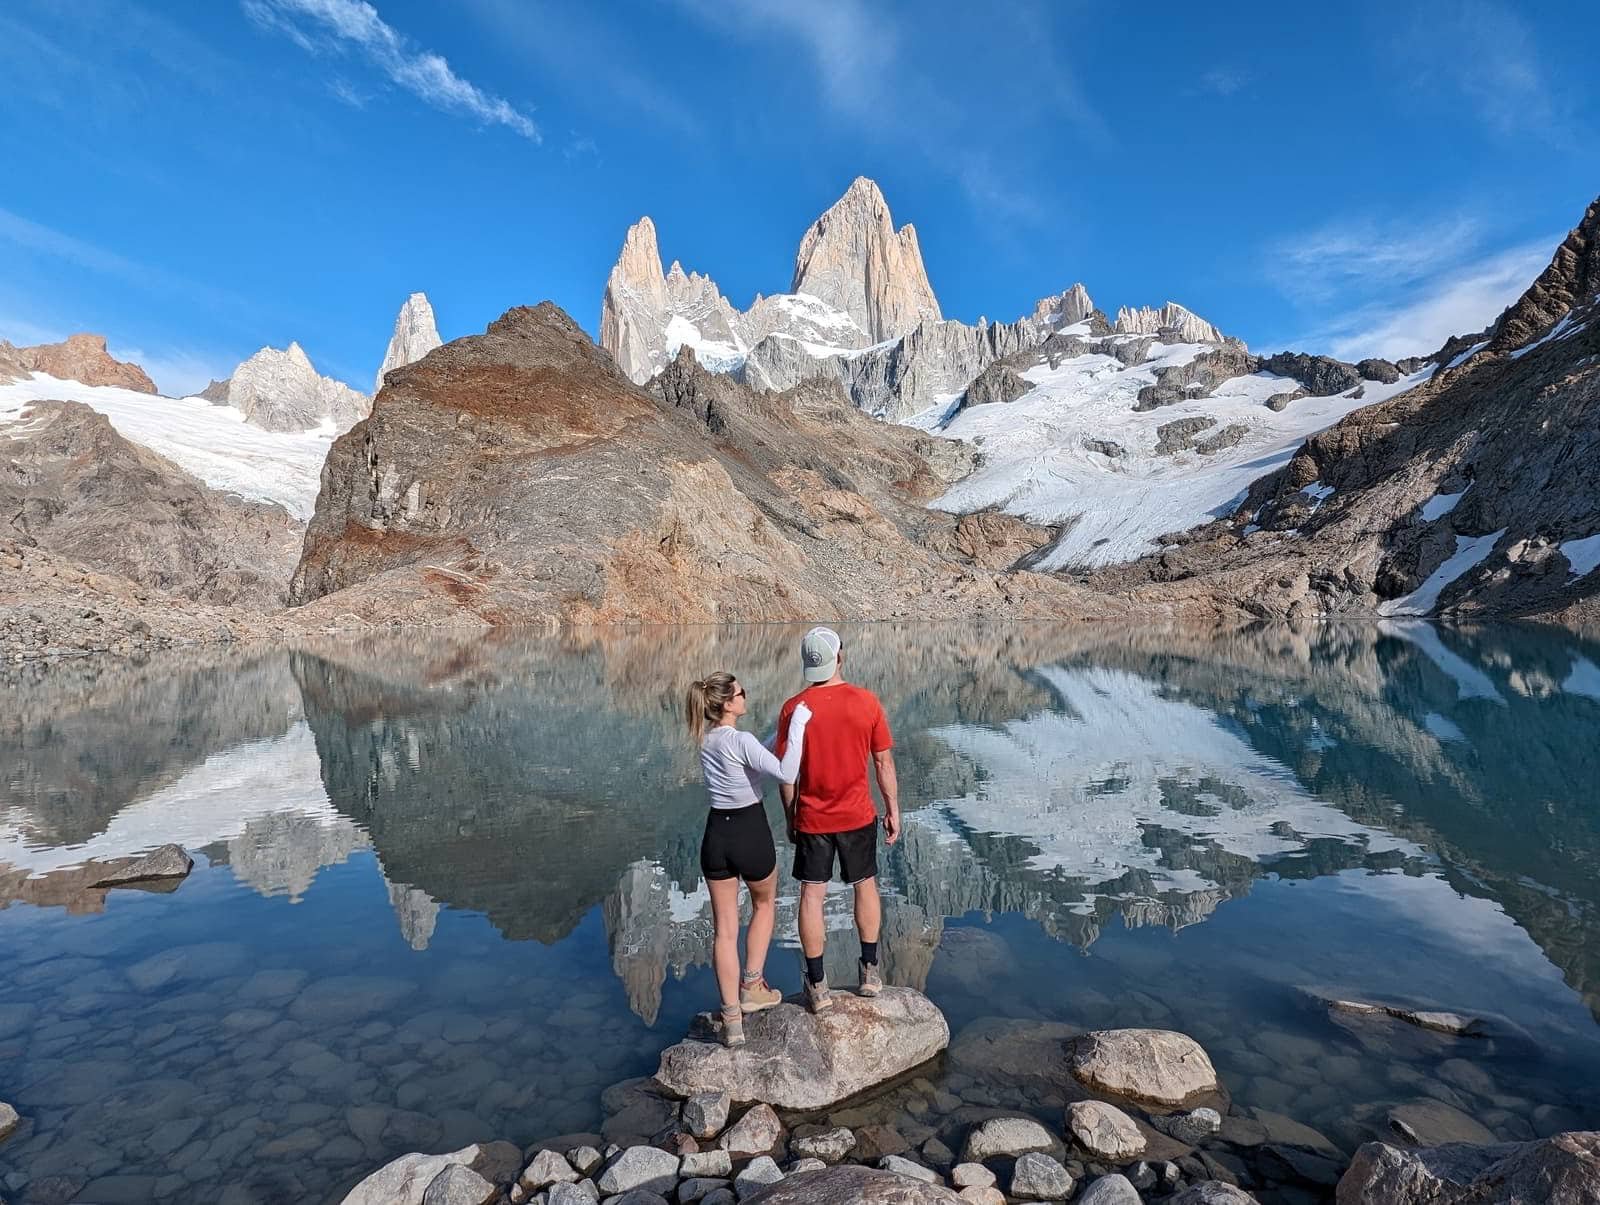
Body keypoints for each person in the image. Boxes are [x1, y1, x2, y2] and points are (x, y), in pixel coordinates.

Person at [775, 626, 900, 1013]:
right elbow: (882, 762)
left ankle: (818, 986)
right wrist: (893, 808)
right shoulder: (866, 702)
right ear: (839, 656)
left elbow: (787, 774)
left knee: (812, 895)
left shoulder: (794, 709)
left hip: (813, 819)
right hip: (858, 815)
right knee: (865, 885)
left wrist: (791, 817)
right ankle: (870, 972)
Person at [686, 671, 812, 1047]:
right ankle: (753, 986)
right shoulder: (739, 740)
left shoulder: (707, 739)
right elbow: (786, 771)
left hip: (716, 835)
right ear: (727, 703)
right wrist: (800, 727)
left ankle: (731, 1021)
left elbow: (756, 757)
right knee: (764, 903)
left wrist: (781, 731)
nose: (745, 696)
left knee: (724, 929)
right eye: (741, 692)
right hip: (749, 831)